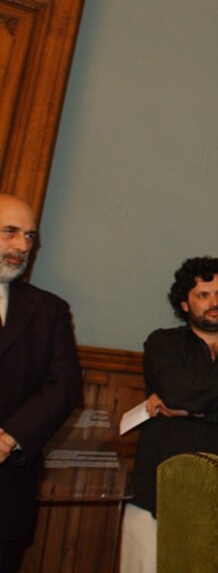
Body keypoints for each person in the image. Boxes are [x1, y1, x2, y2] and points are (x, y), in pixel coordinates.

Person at [120, 256, 218, 572]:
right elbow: (176, 392)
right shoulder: (162, 343)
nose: (214, 302)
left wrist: (188, 410)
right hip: (156, 496)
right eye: (203, 295)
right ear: (184, 304)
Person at [0, 194, 81, 573]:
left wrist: (8, 438)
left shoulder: (50, 310)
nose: (22, 246)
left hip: (6, 491)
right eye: (10, 232)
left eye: (30, 236)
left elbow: (64, 386)